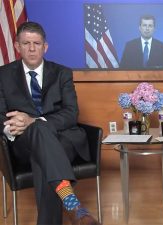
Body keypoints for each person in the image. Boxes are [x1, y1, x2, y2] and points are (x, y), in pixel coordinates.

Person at [0, 22, 101, 225]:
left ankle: (70, 209)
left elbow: (71, 113)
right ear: (17, 46)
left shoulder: (62, 73)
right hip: (22, 142)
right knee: (40, 140)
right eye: (26, 43)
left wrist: (33, 121)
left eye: (36, 43)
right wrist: (11, 126)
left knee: (42, 149)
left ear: (45, 47)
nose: (31, 48)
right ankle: (73, 207)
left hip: (64, 139)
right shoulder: (2, 75)